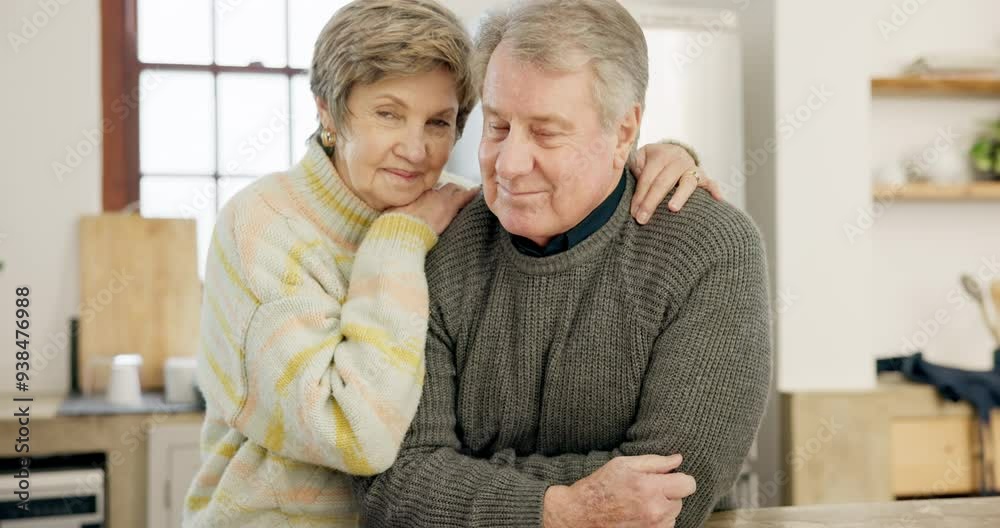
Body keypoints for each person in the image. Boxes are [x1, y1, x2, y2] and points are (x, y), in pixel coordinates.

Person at [183, 1, 717, 526]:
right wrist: (394, 244)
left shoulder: (453, 210)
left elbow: (581, 177)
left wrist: (660, 158)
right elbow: (356, 436)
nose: (415, 150)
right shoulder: (262, 227)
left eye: (438, 122)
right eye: (388, 114)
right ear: (329, 110)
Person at [354, 1, 772, 527]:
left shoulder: (709, 249)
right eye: (498, 126)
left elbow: (671, 496)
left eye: (546, 133)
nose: (508, 164)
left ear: (624, 133)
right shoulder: (437, 246)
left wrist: (469, 479)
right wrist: (562, 510)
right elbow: (393, 483)